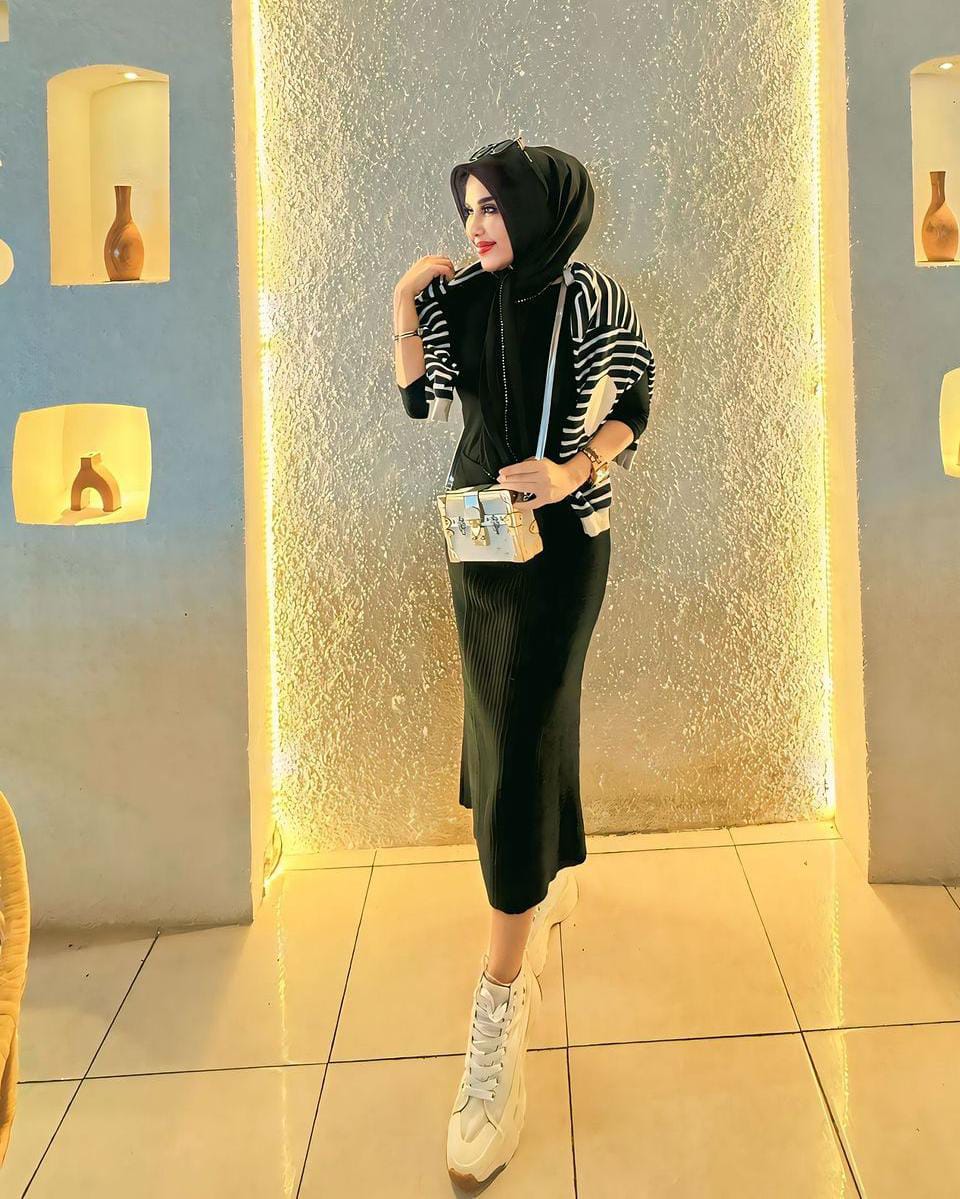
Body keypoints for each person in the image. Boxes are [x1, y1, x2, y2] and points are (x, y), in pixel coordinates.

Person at [392, 136, 655, 1190]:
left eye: (492, 207)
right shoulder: (461, 297)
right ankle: (553, 869)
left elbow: (637, 398)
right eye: (467, 210)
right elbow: (421, 399)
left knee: (528, 718)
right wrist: (406, 305)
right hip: (479, 542)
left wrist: (578, 465)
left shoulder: (591, 298)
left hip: (565, 545)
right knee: (509, 718)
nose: (476, 226)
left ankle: (502, 992)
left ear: (538, 210)